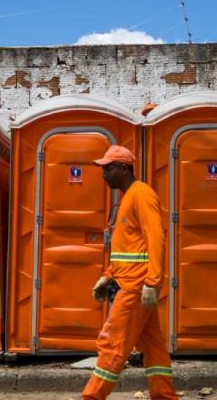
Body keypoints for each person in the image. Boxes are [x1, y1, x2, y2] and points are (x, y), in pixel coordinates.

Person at [82, 145, 178, 400]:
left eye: (108, 169)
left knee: (113, 343)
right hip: (131, 282)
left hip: (136, 286)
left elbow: (155, 238)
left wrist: (152, 283)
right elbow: (128, 247)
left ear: (124, 168)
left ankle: (91, 397)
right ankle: (164, 395)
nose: (104, 175)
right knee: (153, 346)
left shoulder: (141, 195)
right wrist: (108, 275)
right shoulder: (128, 197)